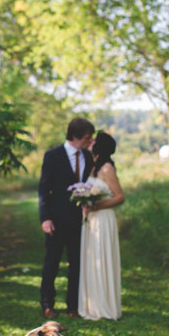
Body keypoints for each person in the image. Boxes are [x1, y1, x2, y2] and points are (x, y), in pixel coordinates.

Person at [39, 117, 95, 318]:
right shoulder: (53, 156)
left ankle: (73, 306)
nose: (90, 141)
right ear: (75, 136)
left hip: (80, 221)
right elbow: (44, 190)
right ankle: (47, 304)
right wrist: (45, 218)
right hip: (55, 219)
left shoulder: (88, 158)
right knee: (51, 262)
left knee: (77, 264)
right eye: (87, 137)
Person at [78, 131, 124, 321]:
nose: (91, 141)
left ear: (100, 146)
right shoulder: (94, 168)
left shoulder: (107, 169)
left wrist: (96, 205)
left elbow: (120, 196)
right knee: (92, 261)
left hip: (103, 219)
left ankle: (105, 306)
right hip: (91, 220)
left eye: (95, 140)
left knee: (102, 258)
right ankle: (92, 305)